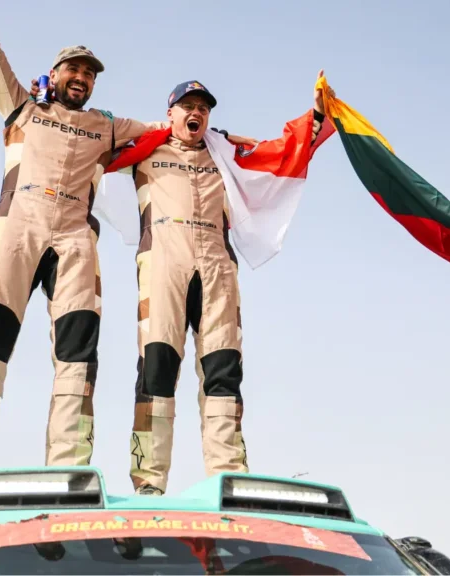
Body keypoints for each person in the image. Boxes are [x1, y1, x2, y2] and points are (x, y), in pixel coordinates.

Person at [0, 0, 253, 471]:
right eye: (73, 69)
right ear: (54, 73)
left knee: (78, 356)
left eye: (89, 74)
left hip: (75, 238)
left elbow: (167, 130)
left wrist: (227, 139)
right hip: (17, 229)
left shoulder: (106, 126)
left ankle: (68, 470)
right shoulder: (21, 106)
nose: (81, 77)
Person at [97, 75, 335, 495]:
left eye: (203, 108)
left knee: (223, 371)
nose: (197, 113)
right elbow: (84, 144)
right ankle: (148, 482)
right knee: (156, 368)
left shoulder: (226, 153)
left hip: (217, 266)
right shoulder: (145, 148)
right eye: (188, 106)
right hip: (163, 262)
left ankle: (229, 476)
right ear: (170, 113)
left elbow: (282, 154)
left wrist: (317, 114)